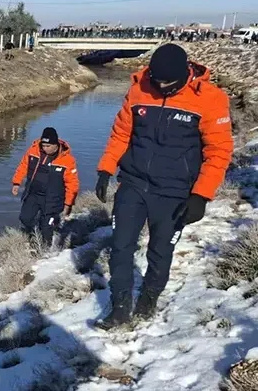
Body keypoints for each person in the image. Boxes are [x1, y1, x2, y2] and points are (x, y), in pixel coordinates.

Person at [94, 44, 233, 330]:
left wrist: (201, 195)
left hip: (175, 192)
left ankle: (148, 298)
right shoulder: (138, 90)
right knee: (120, 247)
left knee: (160, 250)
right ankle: (120, 307)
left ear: (185, 73)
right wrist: (106, 168)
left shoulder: (210, 99)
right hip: (133, 183)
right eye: (157, 81)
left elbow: (218, 151)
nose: (162, 86)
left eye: (168, 82)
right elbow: (122, 133)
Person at [11, 127, 79, 245]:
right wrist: (16, 182)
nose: (44, 148)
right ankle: (33, 236)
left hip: (52, 198)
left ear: (56, 144)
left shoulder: (67, 160)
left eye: (48, 146)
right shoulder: (33, 151)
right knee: (25, 218)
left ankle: (44, 252)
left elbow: (72, 183)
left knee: (46, 228)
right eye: (43, 145)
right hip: (33, 193)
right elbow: (23, 166)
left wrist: (69, 203)